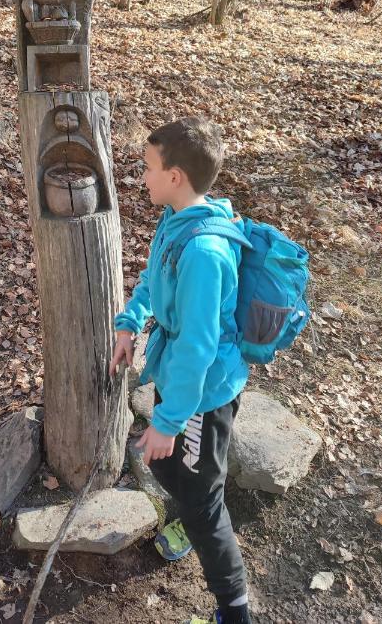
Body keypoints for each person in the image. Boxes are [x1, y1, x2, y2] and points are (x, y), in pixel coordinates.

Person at [109, 117, 252, 624]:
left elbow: (197, 347)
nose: (140, 176)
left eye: (148, 167)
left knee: (203, 502)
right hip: (185, 387)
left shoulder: (203, 251)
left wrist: (170, 421)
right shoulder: (177, 220)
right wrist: (129, 323)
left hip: (205, 392)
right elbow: (153, 280)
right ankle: (191, 508)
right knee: (173, 469)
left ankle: (234, 610)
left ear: (175, 176)